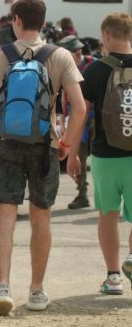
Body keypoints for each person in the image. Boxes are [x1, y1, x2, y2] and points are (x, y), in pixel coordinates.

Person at [0, 0, 85, 317]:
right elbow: (79, 109)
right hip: (45, 147)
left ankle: (2, 287)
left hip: (6, 145)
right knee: (41, 218)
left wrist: (4, 121)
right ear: (43, 22)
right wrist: (66, 143)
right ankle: (36, 290)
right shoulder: (60, 56)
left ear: (17, 20)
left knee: (5, 216)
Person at [73, 13, 132, 295]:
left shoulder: (95, 70)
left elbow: (80, 114)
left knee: (108, 215)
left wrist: (72, 152)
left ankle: (113, 278)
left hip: (105, 157)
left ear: (106, 35)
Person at [55, 36, 92, 210]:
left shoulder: (92, 65)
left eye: (78, 50)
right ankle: (82, 193)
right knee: (78, 158)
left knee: (102, 157)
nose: (77, 54)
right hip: (77, 120)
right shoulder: (64, 68)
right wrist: (63, 123)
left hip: (96, 118)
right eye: (74, 51)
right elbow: (63, 97)